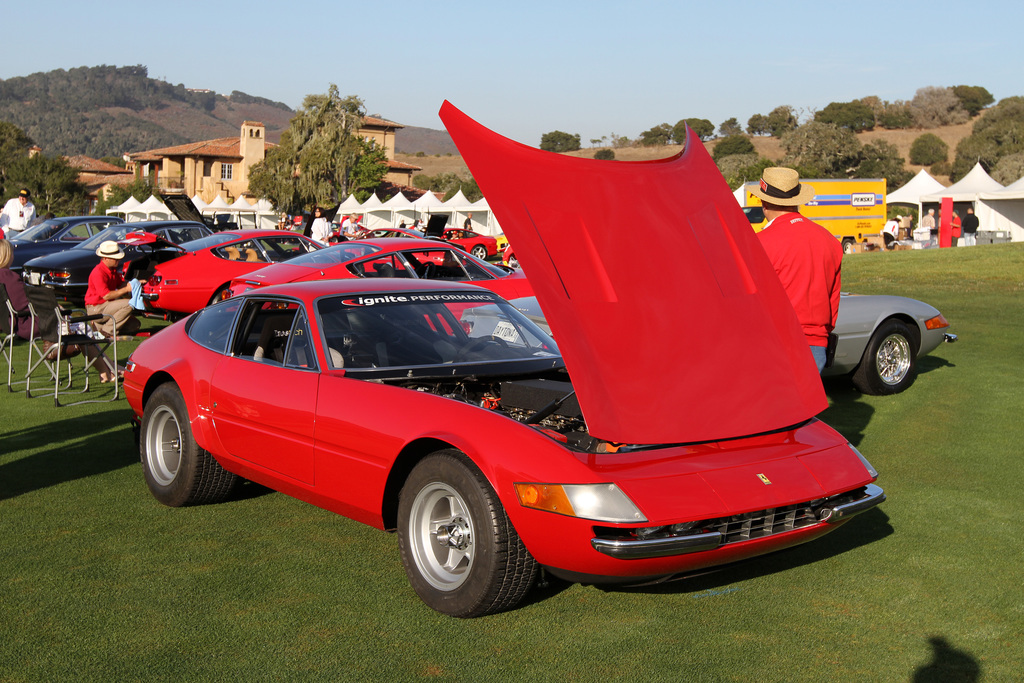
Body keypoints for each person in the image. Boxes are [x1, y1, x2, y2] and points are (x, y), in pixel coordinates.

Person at [753, 167, 843, 374]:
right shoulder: (829, 240)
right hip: (817, 344)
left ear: (764, 203)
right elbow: (833, 301)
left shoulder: (761, 243)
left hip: (775, 342)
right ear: (795, 200)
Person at [1, 239, 119, 382]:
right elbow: (24, 304)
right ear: (7, 255)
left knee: (80, 328)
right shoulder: (10, 277)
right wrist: (55, 309)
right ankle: (107, 370)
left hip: (10, 323)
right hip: (30, 324)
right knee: (82, 328)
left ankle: (109, 369)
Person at [84, 240, 141, 338]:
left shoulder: (112, 270)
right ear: (105, 258)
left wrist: (136, 283)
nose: (118, 261)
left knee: (134, 325)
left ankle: (99, 326)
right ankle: (106, 332)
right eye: (115, 259)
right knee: (129, 303)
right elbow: (106, 295)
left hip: (105, 306)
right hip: (96, 308)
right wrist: (127, 289)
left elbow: (121, 284)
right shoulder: (98, 272)